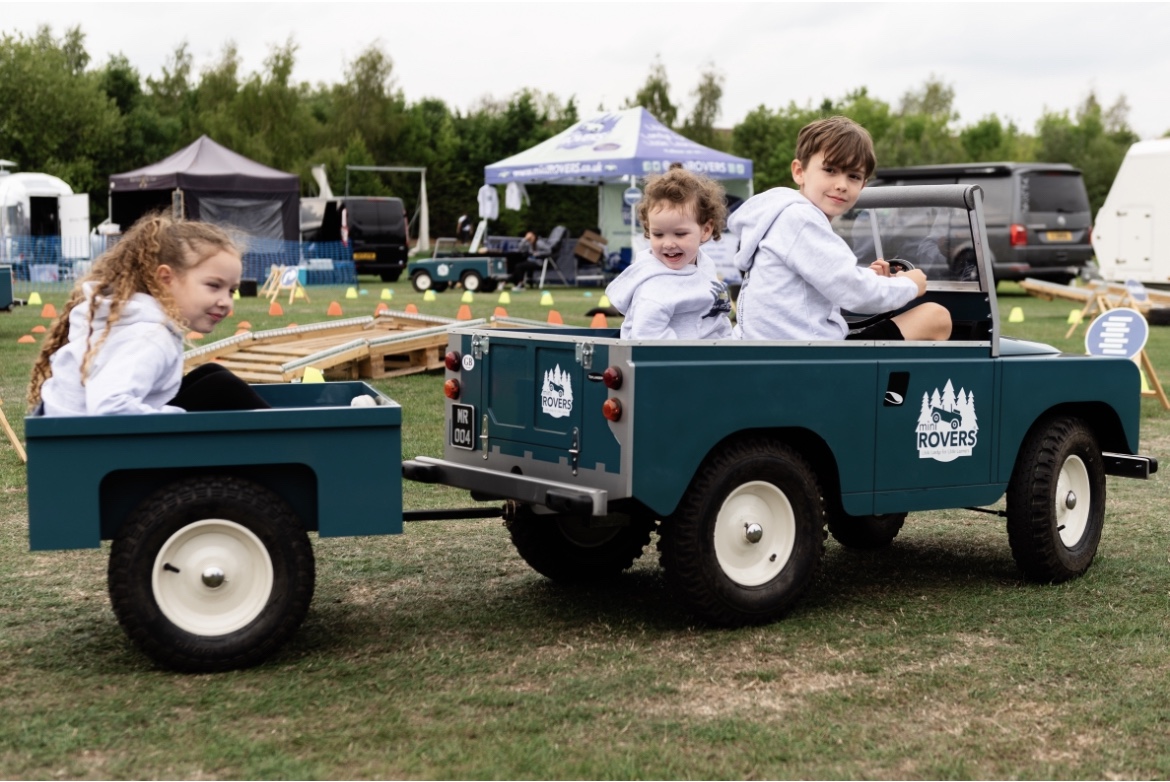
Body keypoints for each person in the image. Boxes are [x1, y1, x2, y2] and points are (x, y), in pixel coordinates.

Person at [731, 115, 952, 342]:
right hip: (809, 358)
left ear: (863, 184)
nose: (841, 185)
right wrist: (909, 284)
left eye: (853, 176)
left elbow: (828, 278)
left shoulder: (781, 217)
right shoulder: (801, 220)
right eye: (830, 170)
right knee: (936, 317)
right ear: (799, 171)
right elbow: (852, 290)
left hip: (779, 350)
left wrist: (871, 277)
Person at [28, 212, 270, 416]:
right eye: (214, 286)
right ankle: (288, 441)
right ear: (166, 279)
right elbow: (110, 407)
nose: (226, 302)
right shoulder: (149, 336)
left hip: (78, 440)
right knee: (221, 386)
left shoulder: (141, 321)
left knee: (211, 375)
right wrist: (180, 418)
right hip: (86, 453)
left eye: (232, 290)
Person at [604, 168, 733, 340]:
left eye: (680, 234)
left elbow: (716, 318)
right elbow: (648, 338)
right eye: (658, 234)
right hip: (672, 362)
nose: (668, 244)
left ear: (706, 230)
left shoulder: (704, 264)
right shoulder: (655, 286)